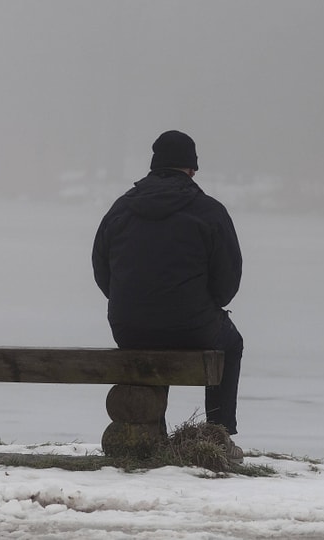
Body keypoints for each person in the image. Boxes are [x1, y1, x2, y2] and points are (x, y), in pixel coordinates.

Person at [92, 130, 244, 461]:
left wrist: (129, 302)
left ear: (153, 166)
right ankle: (219, 433)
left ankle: (151, 432)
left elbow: (102, 272)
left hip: (128, 326)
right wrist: (203, 306)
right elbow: (227, 284)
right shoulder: (209, 212)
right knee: (230, 342)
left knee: (149, 339)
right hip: (193, 325)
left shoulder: (120, 209)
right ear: (191, 169)